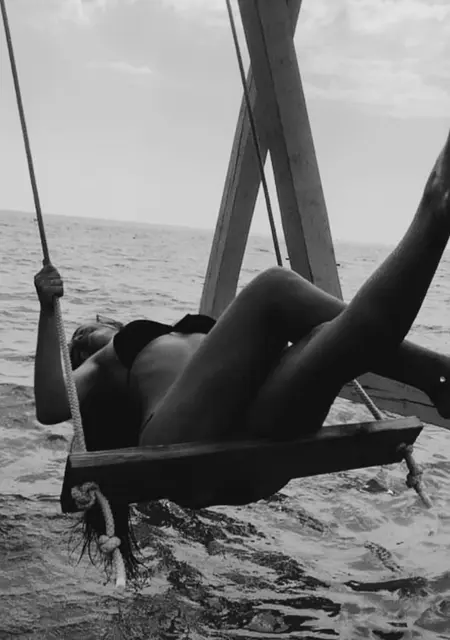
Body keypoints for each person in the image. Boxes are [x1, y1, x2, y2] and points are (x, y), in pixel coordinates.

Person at [35, 130, 450, 577]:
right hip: (189, 450)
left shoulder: (167, 345)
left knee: (334, 340)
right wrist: (47, 312)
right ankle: (434, 372)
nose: (88, 333)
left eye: (87, 329)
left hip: (260, 441)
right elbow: (52, 405)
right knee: (275, 288)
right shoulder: (104, 364)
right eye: (79, 340)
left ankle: (438, 211)